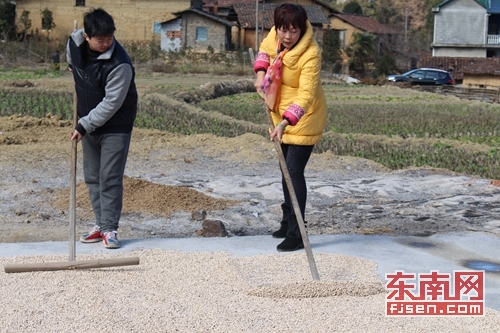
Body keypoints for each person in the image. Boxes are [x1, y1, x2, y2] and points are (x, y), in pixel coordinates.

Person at [253, 3, 327, 252]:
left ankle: (297, 232)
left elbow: (306, 95)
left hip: (302, 116)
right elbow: (264, 51)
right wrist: (260, 75)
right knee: (284, 169)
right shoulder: (276, 35)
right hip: (278, 110)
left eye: (293, 31)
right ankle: (287, 221)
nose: (287, 36)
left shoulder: (311, 53)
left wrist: (286, 122)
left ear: (302, 28)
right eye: (283, 30)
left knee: (294, 171)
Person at [67, 8, 138, 249]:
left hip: (115, 125)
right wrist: (73, 68)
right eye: (100, 40)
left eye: (110, 38)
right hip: (89, 122)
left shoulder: (120, 64)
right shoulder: (74, 45)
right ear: (86, 36)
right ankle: (99, 224)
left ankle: (110, 229)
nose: (106, 43)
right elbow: (71, 61)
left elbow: (111, 104)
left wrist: (83, 124)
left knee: (109, 177)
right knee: (91, 177)